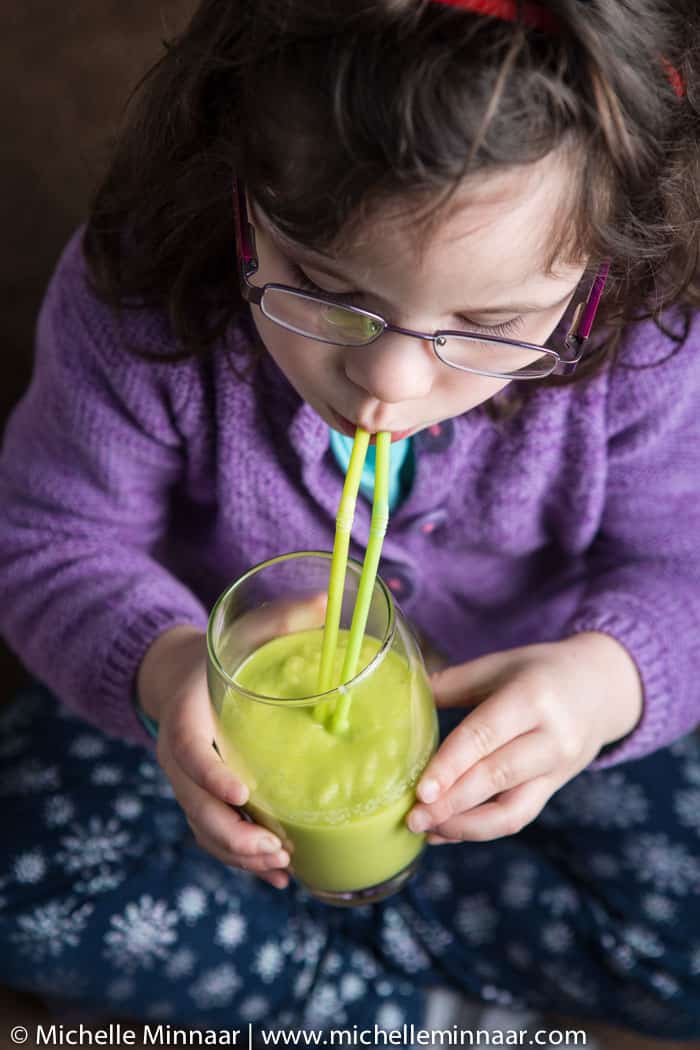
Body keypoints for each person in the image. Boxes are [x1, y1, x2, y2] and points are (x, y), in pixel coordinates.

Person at [0, 0, 699, 1044]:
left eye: (489, 325)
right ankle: (408, 1012)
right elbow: (51, 542)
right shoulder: (142, 292)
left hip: (523, 704)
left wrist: (608, 685)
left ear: (597, 276)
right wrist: (165, 670)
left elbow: (682, 561)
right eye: (326, 291)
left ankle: (283, 958)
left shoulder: (648, 335)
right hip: (199, 714)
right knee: (22, 891)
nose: (389, 381)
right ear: (240, 199)